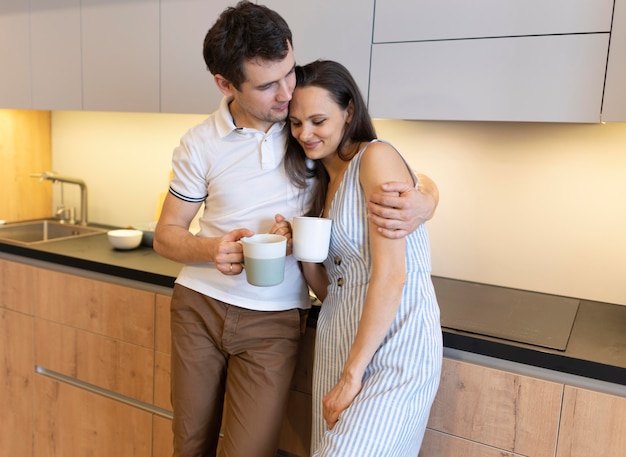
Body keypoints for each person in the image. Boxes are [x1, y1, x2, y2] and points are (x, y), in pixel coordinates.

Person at [154, 2, 439, 456]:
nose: (288, 93)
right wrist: (211, 250)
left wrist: (426, 197)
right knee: (189, 444)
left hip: (276, 318)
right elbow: (166, 233)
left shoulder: (306, 124)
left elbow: (375, 159)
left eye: (288, 71)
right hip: (200, 305)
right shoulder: (200, 143)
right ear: (226, 84)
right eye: (268, 85)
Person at [285, 60, 443, 456]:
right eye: (295, 122)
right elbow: (333, 289)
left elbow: (391, 276)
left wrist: (352, 376)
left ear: (349, 112)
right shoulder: (321, 183)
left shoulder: (376, 158)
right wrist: (302, 252)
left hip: (394, 346)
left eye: (318, 120)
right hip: (340, 342)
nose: (305, 133)